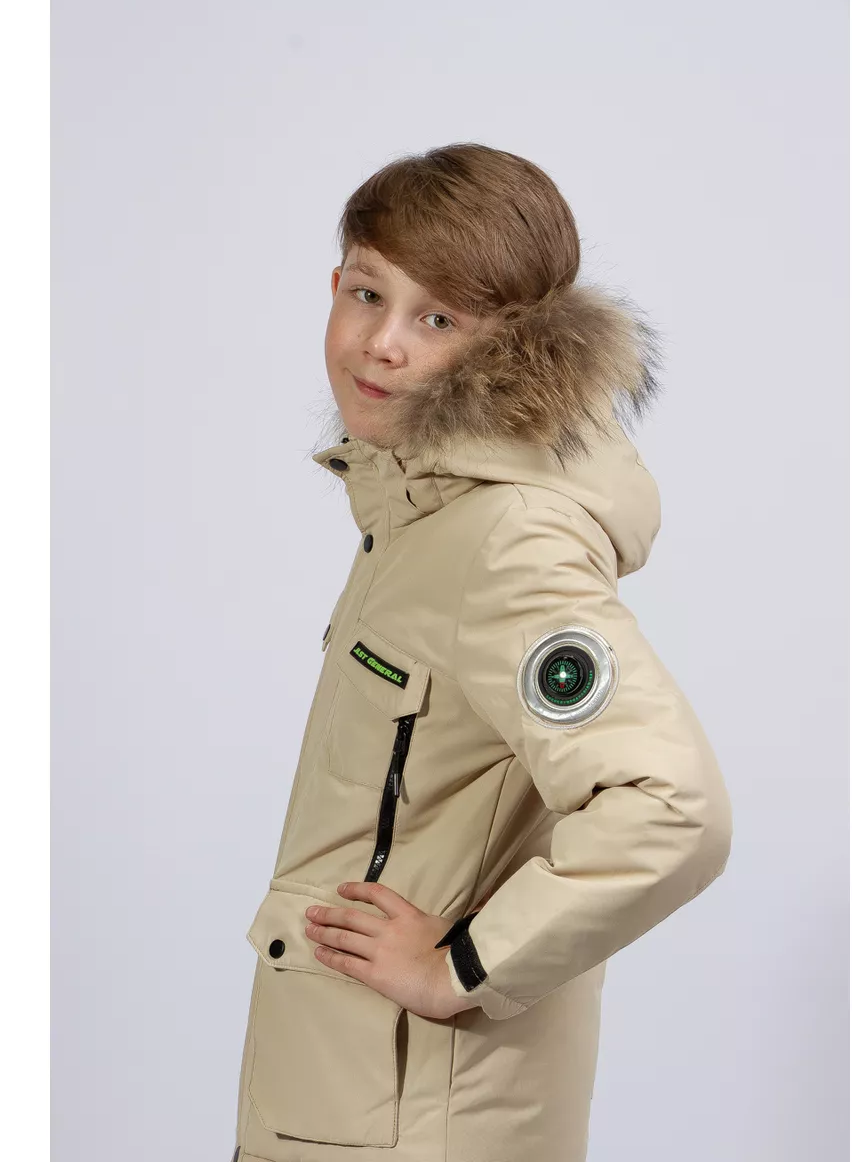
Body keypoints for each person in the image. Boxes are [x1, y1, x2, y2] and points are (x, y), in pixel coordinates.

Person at [231, 142, 733, 1162]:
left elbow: (671, 808)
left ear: (513, 343)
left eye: (439, 319)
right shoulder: (420, 511)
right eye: (368, 293)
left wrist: (460, 963)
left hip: (414, 1118)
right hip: (348, 1093)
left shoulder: (505, 540)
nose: (380, 345)